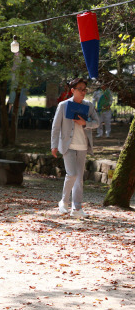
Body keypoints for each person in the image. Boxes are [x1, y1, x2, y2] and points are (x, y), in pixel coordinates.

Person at [51, 77, 99, 218]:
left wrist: (85, 122)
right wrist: (54, 145)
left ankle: (77, 209)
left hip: (83, 146)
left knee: (79, 179)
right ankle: (64, 201)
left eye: (85, 89)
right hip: (68, 146)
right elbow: (55, 127)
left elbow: (97, 122)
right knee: (72, 174)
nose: (83, 92)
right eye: (80, 89)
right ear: (73, 90)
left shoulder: (89, 105)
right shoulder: (63, 105)